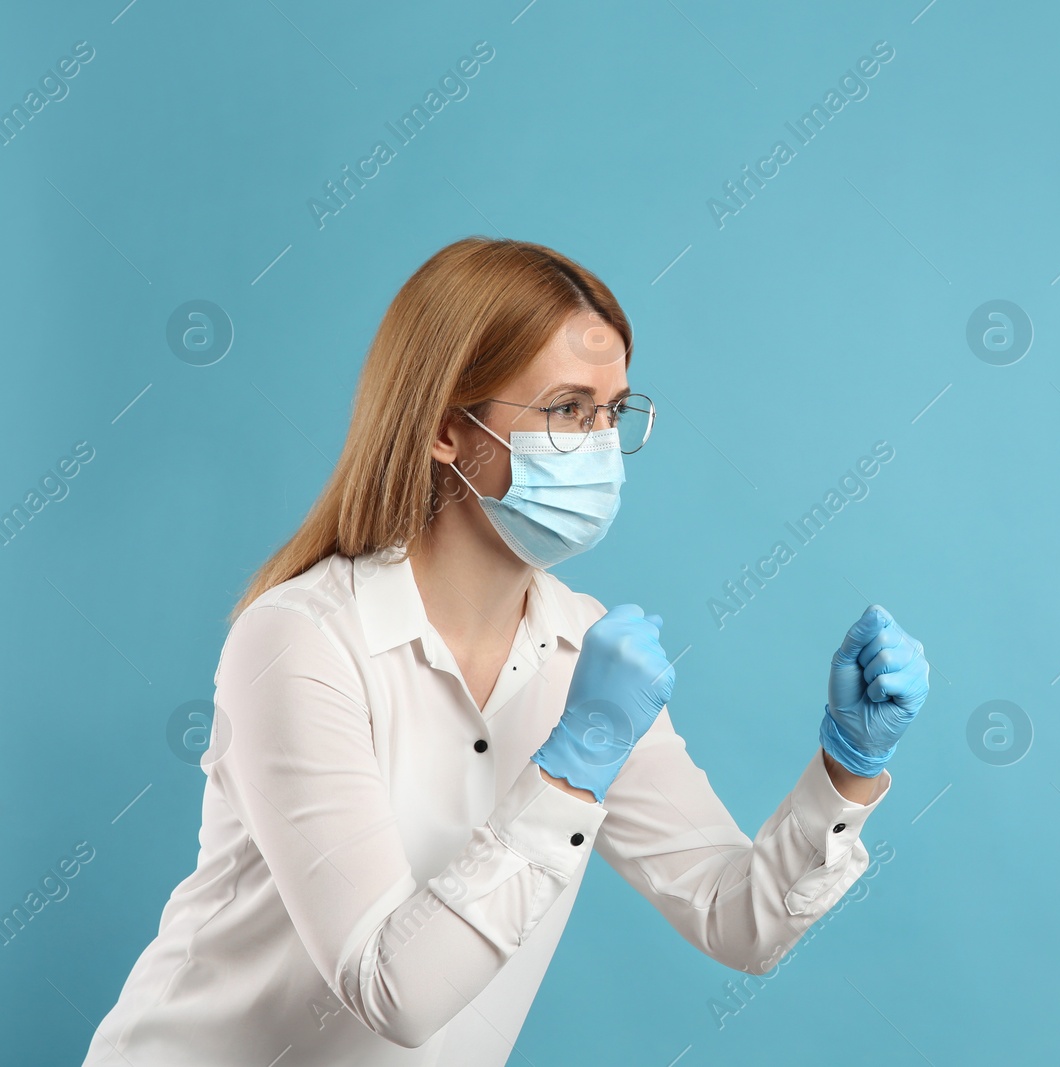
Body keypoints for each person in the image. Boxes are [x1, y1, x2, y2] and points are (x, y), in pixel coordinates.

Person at [81, 238, 930, 1066]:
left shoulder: (579, 652)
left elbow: (734, 918)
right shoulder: (301, 638)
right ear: (450, 429)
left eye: (614, 410)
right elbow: (393, 992)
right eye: (566, 410)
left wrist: (846, 766)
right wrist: (574, 761)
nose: (600, 445)